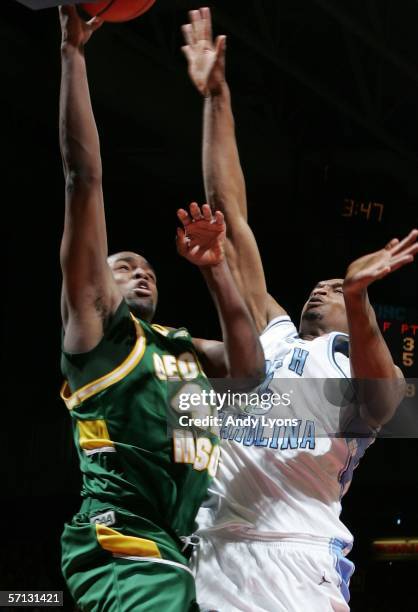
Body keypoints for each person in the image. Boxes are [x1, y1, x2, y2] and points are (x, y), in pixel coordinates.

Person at [182, 7, 418, 611]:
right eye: (326, 285)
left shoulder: (353, 367)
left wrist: (360, 296)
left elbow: (386, 401)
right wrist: (216, 96)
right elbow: (228, 215)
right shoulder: (276, 338)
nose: (323, 288)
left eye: (336, 289)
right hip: (211, 551)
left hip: (297, 557)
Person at [58, 6, 265, 612]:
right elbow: (83, 178)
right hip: (117, 538)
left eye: (147, 267)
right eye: (123, 267)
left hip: (176, 546)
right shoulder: (97, 334)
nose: (140, 271)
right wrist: (73, 56)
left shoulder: (180, 349)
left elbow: (251, 380)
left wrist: (215, 269)